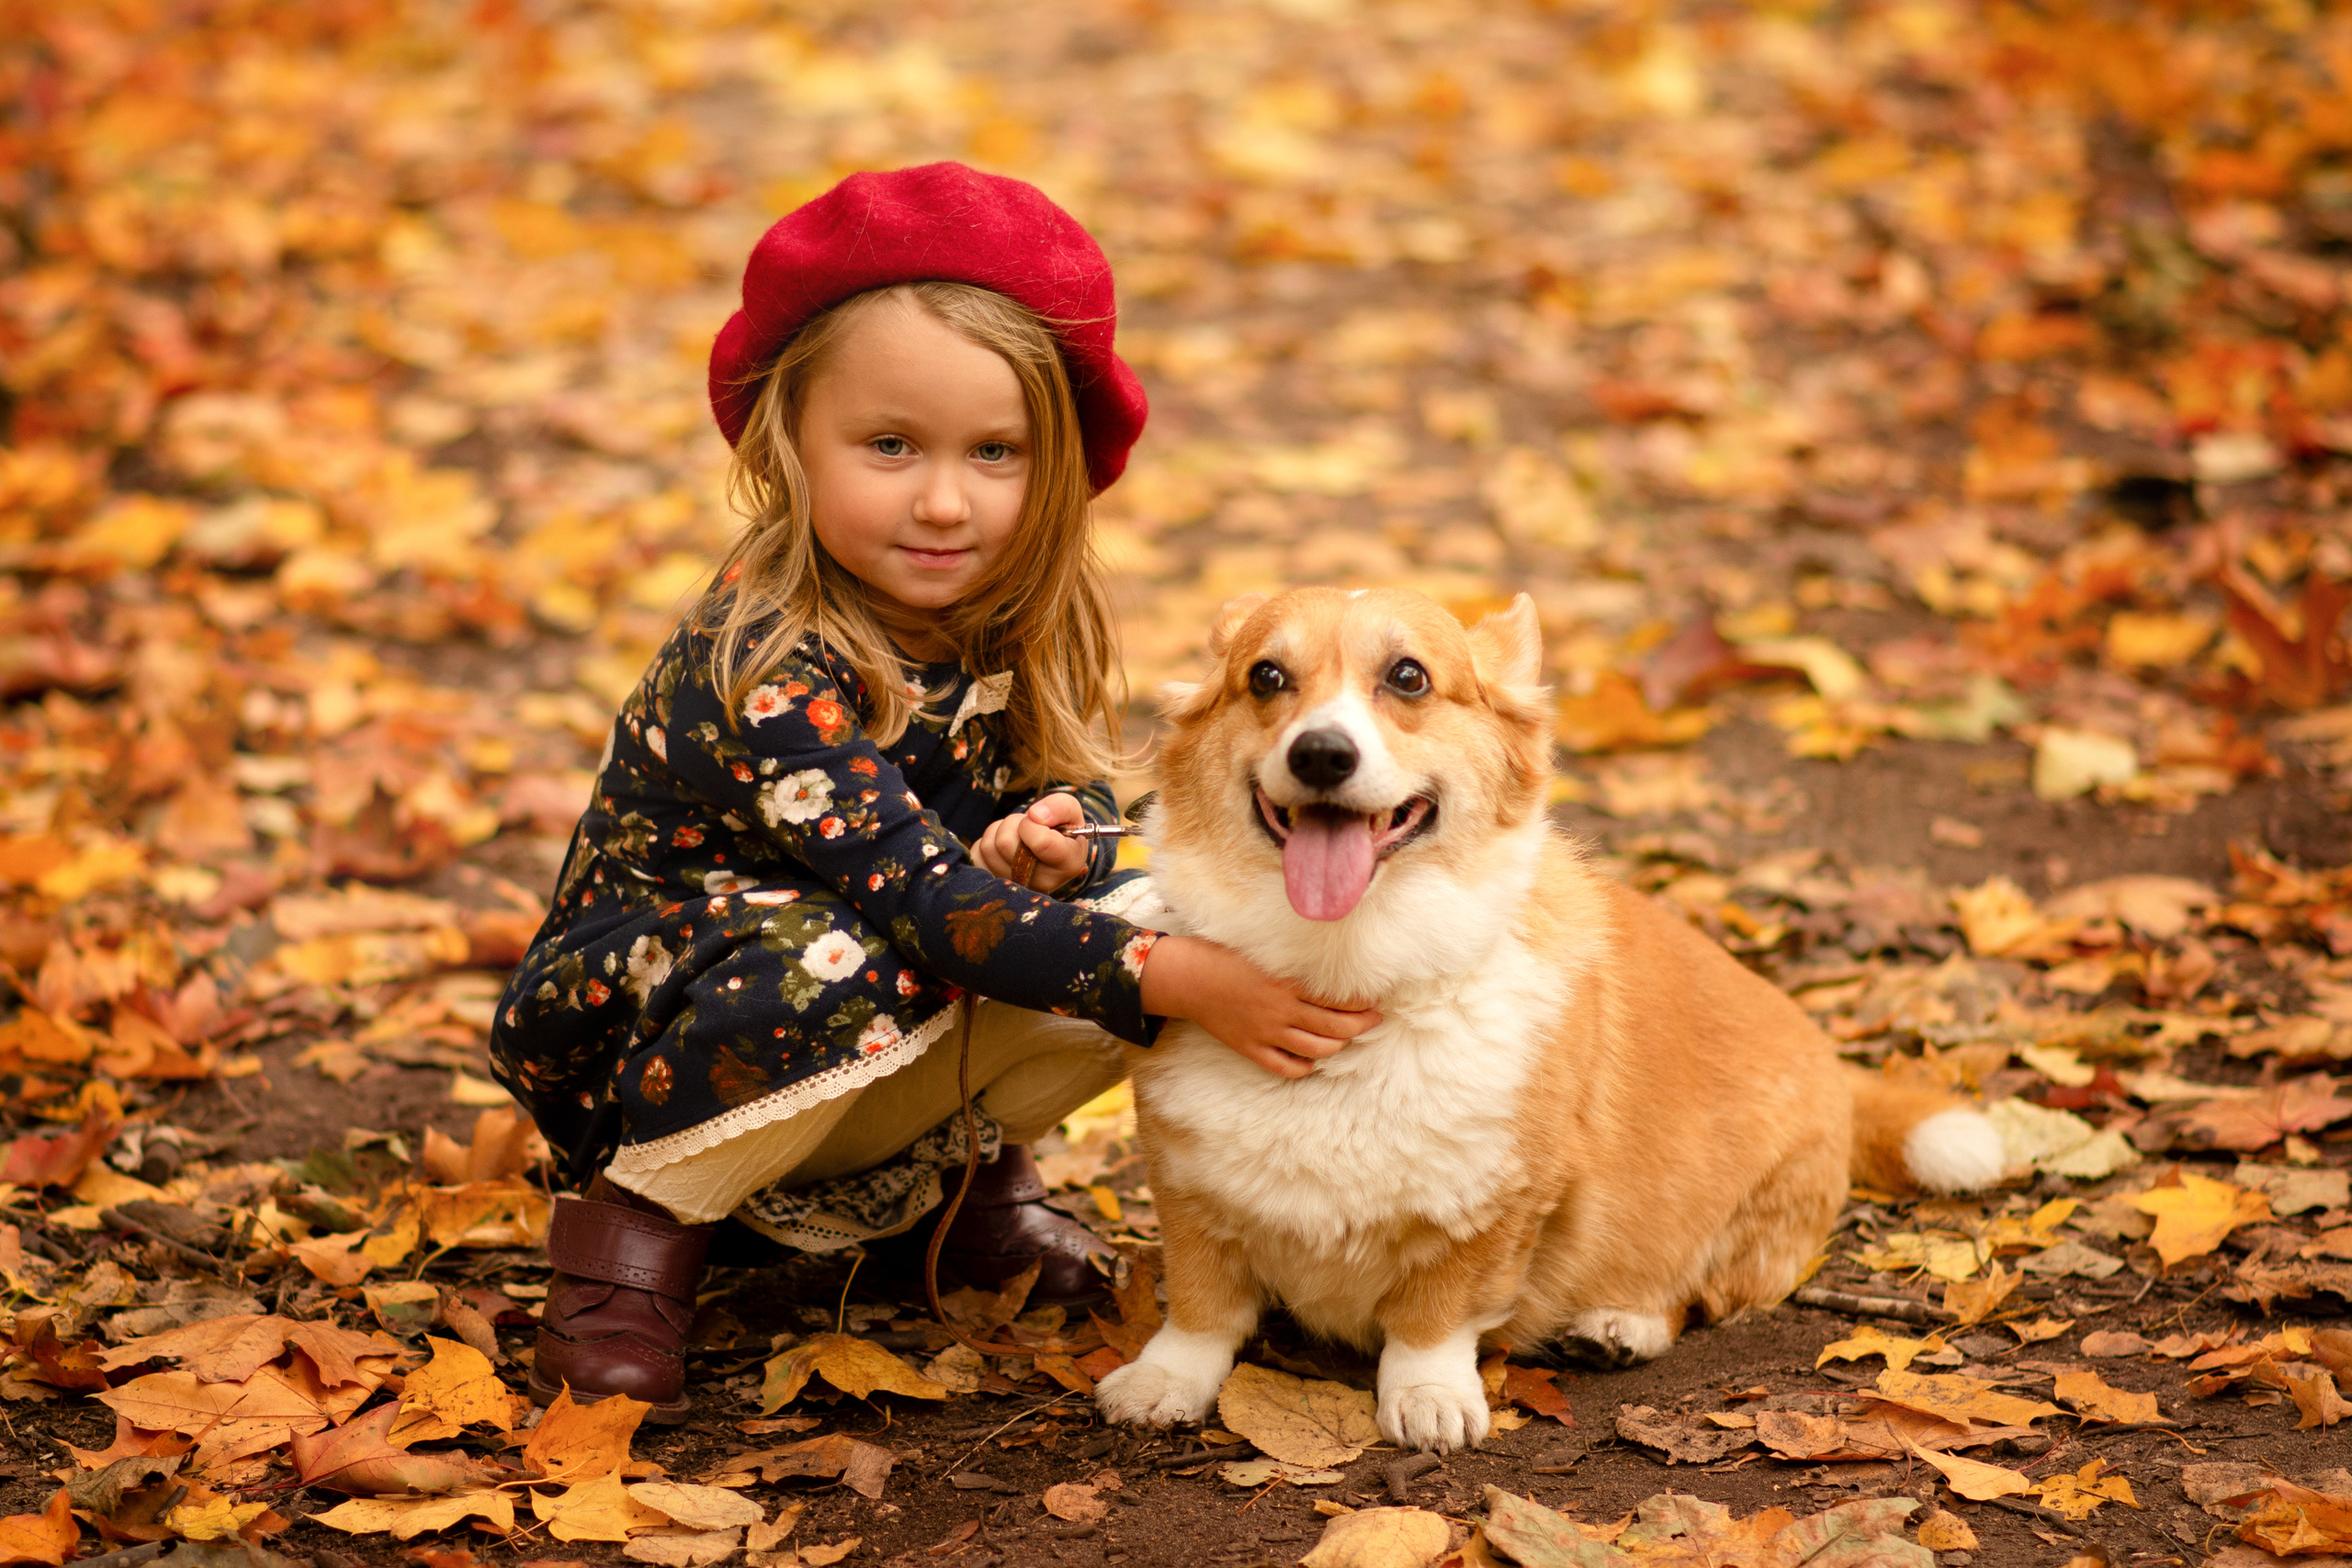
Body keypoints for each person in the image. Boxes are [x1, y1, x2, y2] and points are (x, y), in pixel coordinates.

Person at [488, 162, 1381, 1422]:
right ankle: (633, 1244)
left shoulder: (1009, 619)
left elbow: (1071, 839)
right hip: (665, 1035)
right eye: (891, 445)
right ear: (788, 440)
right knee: (871, 958)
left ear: (1053, 463)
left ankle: (953, 1204)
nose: (946, 501)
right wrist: (1164, 978)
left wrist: (1050, 846)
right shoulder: (764, 655)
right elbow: (922, 909)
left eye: (995, 452)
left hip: (875, 999)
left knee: (1151, 907)